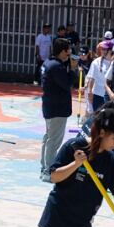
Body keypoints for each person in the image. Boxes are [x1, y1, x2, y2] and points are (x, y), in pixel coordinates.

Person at [39, 37, 75, 182]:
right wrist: (72, 70)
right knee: (53, 141)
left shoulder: (48, 63)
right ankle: (49, 171)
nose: (70, 53)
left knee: (48, 139)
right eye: (68, 50)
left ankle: (44, 167)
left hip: (49, 106)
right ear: (63, 51)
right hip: (57, 108)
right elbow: (67, 84)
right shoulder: (57, 67)